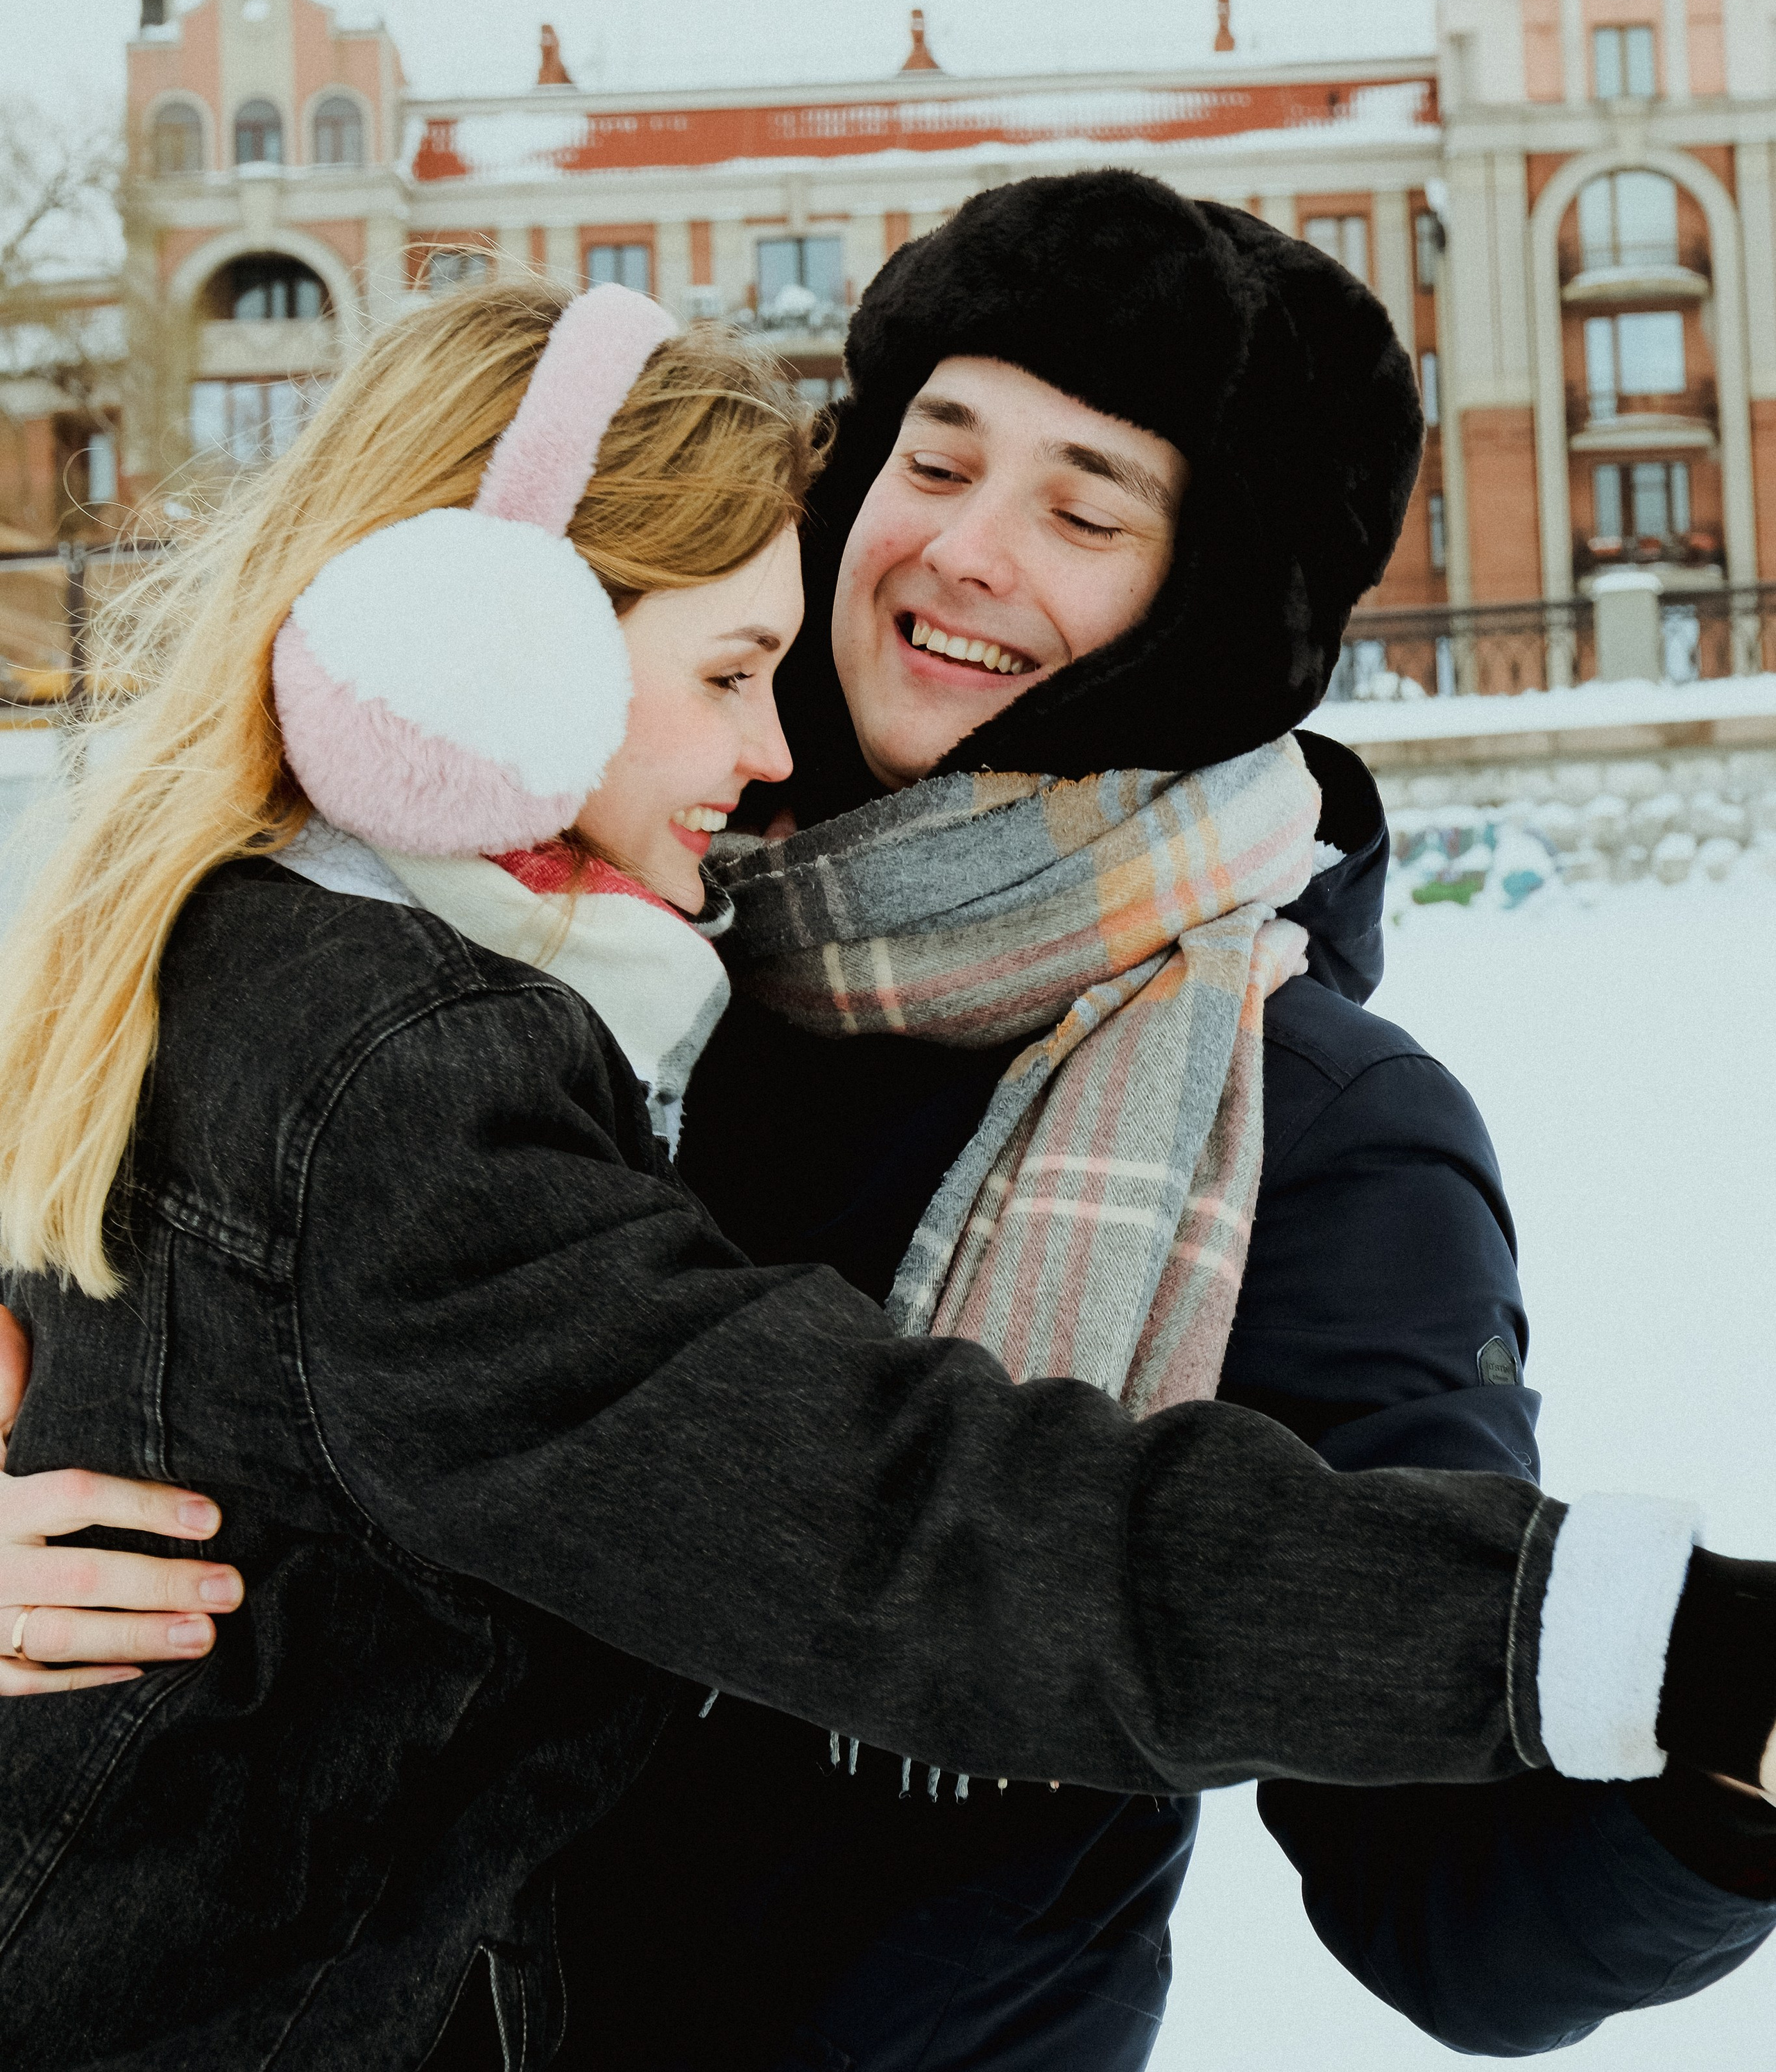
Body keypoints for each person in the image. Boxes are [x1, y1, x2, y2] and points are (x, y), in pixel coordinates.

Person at [1, 224, 1773, 2072]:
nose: (960, 548)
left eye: (1087, 516)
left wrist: (1709, 1724)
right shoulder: (544, 945)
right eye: (931, 460)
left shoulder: (1310, 1127)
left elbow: (1467, 1901)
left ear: (1211, 601)